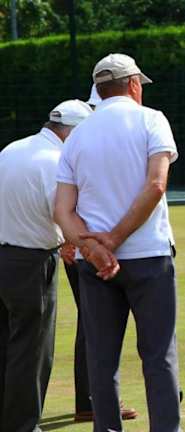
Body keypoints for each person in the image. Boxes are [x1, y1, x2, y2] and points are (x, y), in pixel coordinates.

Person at [54, 53, 181, 432]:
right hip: (149, 257)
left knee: (101, 360)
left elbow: (62, 210)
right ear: (134, 84)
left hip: (95, 265)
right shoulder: (152, 120)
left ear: (99, 90)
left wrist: (94, 249)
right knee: (158, 357)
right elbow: (156, 184)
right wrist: (114, 238)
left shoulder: (77, 136)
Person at [0, 99, 92, 432]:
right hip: (31, 262)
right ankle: (23, 426)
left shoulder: (12, 149)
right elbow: (61, 212)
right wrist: (82, 244)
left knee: (6, 345)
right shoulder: (57, 161)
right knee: (32, 349)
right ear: (74, 133)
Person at [62, 83, 138, 424]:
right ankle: (93, 401)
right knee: (94, 325)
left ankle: (91, 400)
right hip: (87, 244)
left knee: (91, 323)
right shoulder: (90, 129)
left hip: (82, 242)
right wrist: (70, 241)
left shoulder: (87, 127)